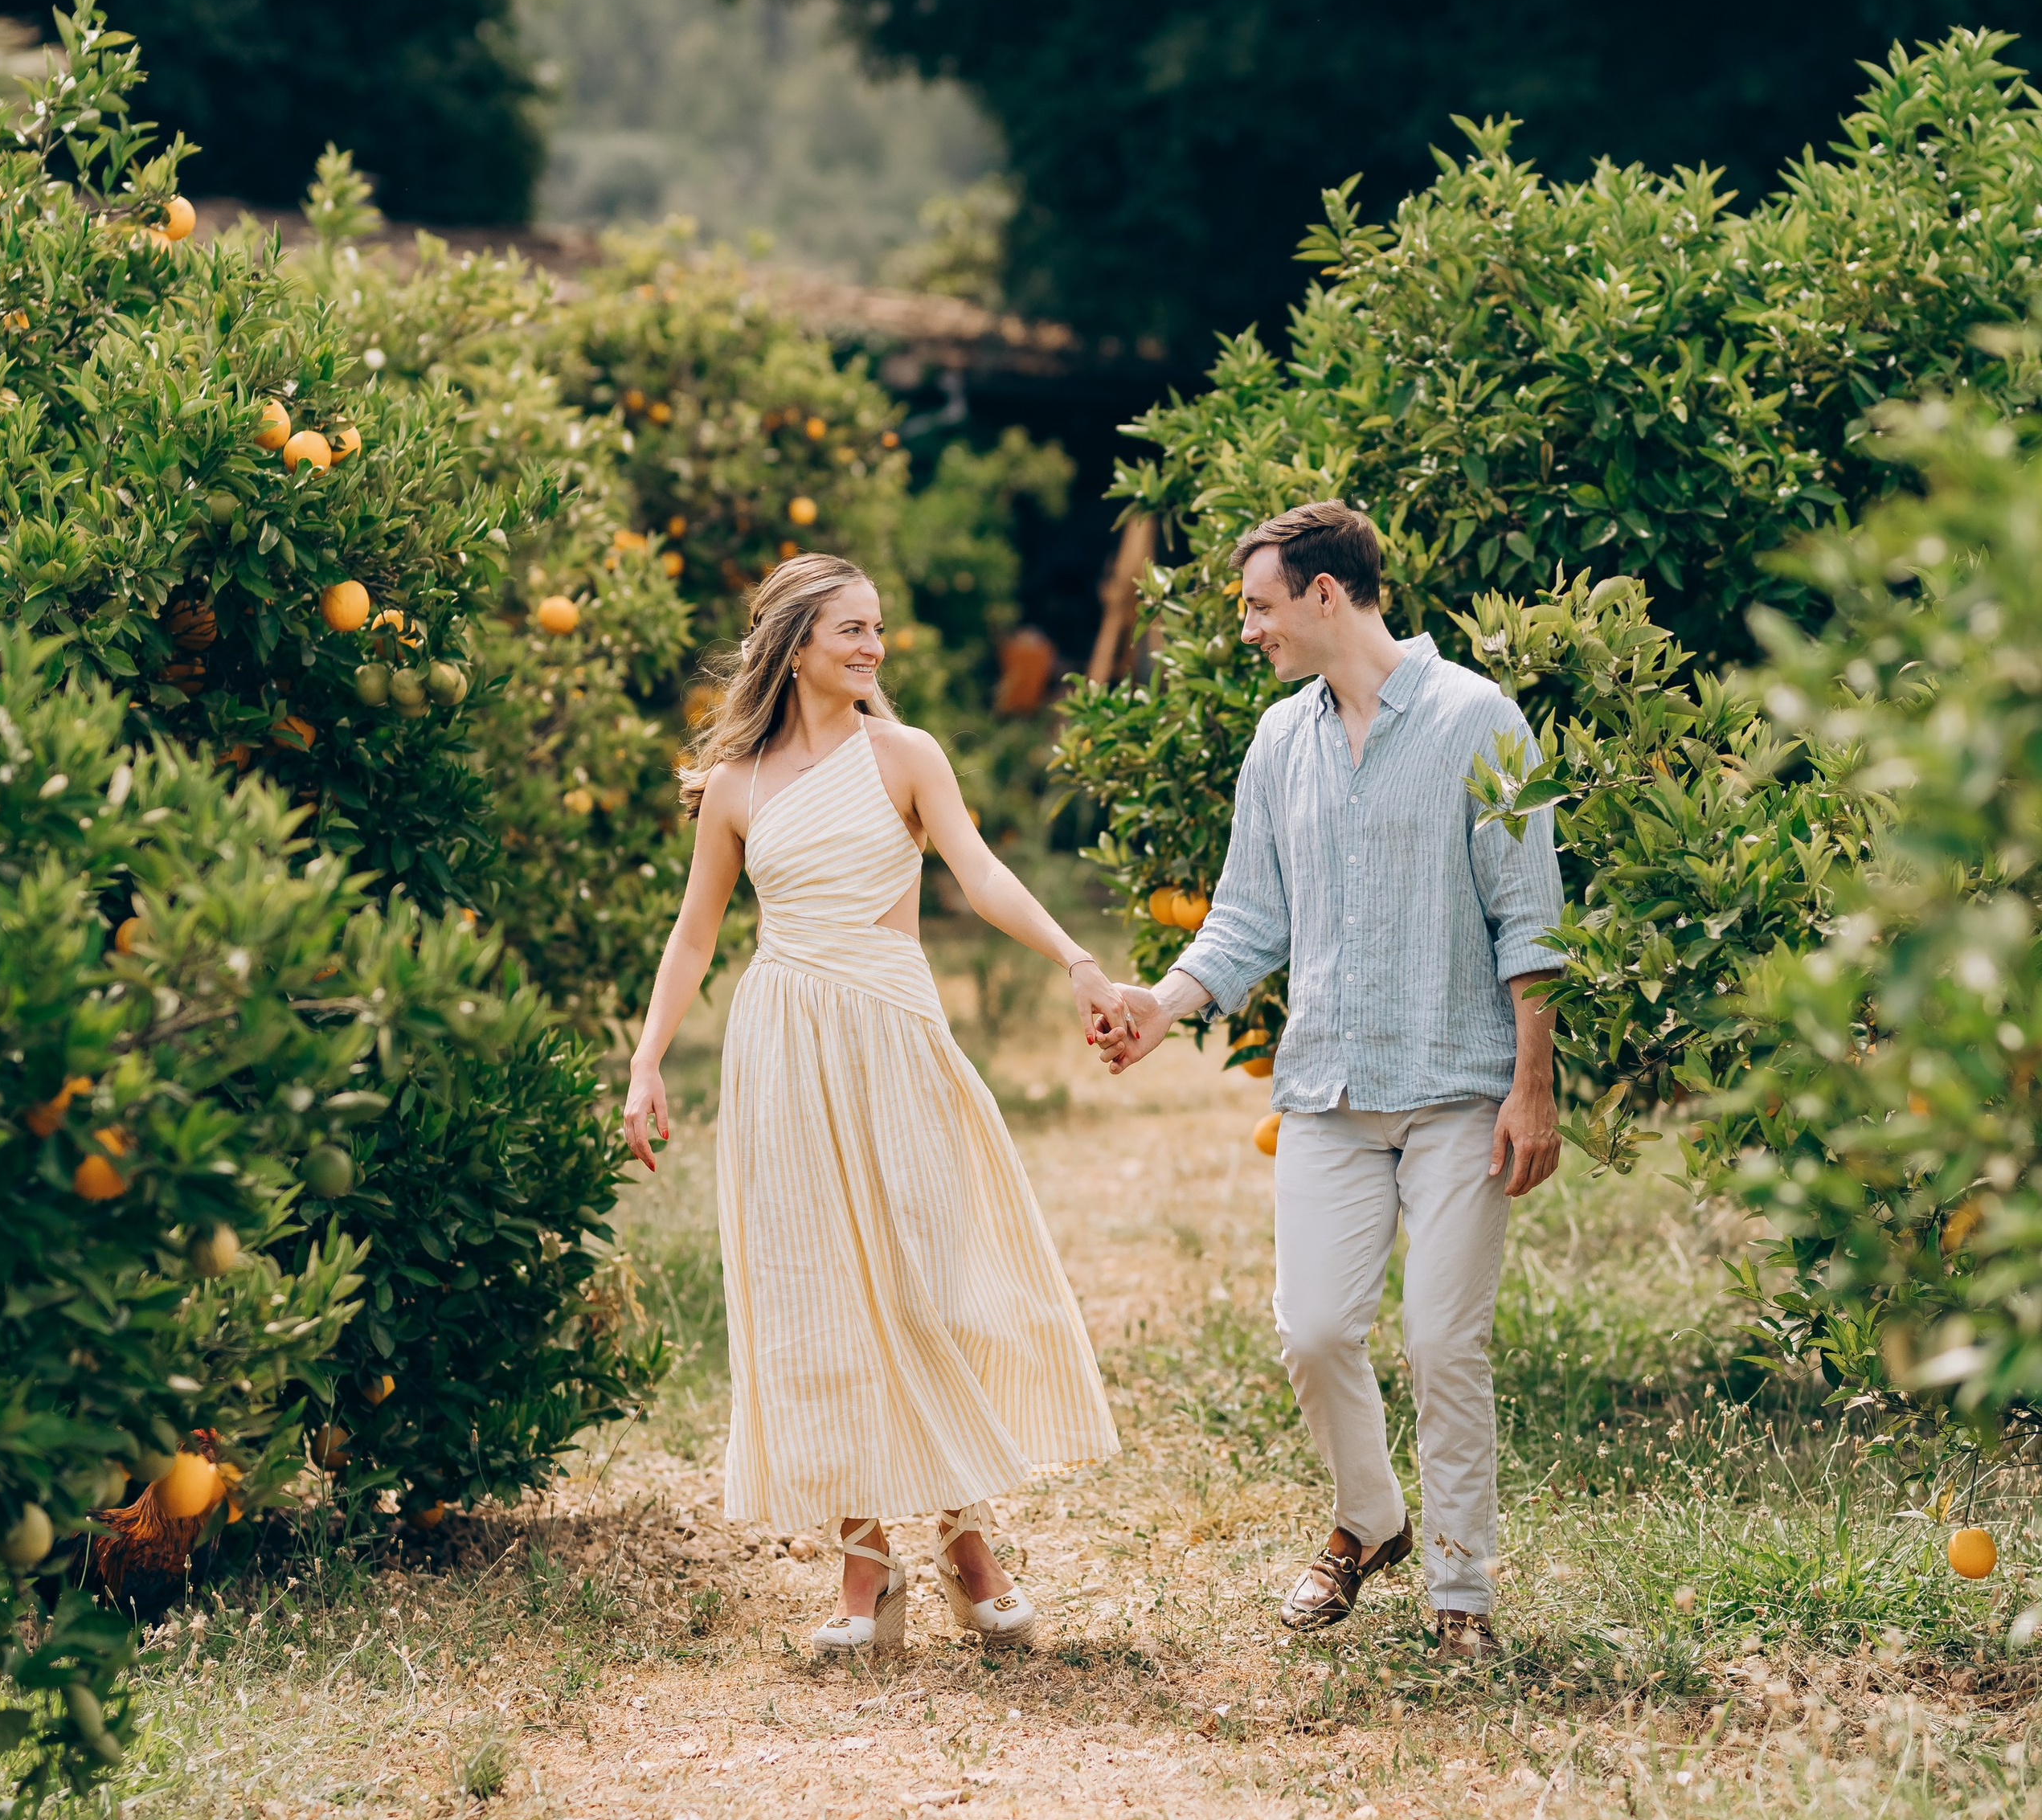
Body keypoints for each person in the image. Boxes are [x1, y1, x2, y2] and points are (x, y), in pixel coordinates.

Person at [623, 555, 1124, 1656]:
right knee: (816, 1301)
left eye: (878, 628)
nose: (874, 647)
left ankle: (966, 1543)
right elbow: (695, 936)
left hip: (895, 1034)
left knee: (927, 1285)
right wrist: (648, 1061)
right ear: (796, 643)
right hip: (782, 1047)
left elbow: (979, 874)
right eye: (852, 629)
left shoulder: (906, 756)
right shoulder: (737, 786)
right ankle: (865, 1569)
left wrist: (1076, 959)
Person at [1101, 501, 1562, 1660]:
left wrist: (1533, 1084)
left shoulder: (1478, 719)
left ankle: (1461, 1591)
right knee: (1313, 1331)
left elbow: (1531, 918)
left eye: (1260, 606)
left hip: (1459, 1086)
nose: (1248, 629)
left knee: (1444, 1344)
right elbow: (1247, 917)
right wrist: (1163, 1005)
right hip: (1327, 1094)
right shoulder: (1279, 740)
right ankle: (1372, 1518)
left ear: (1323, 593)